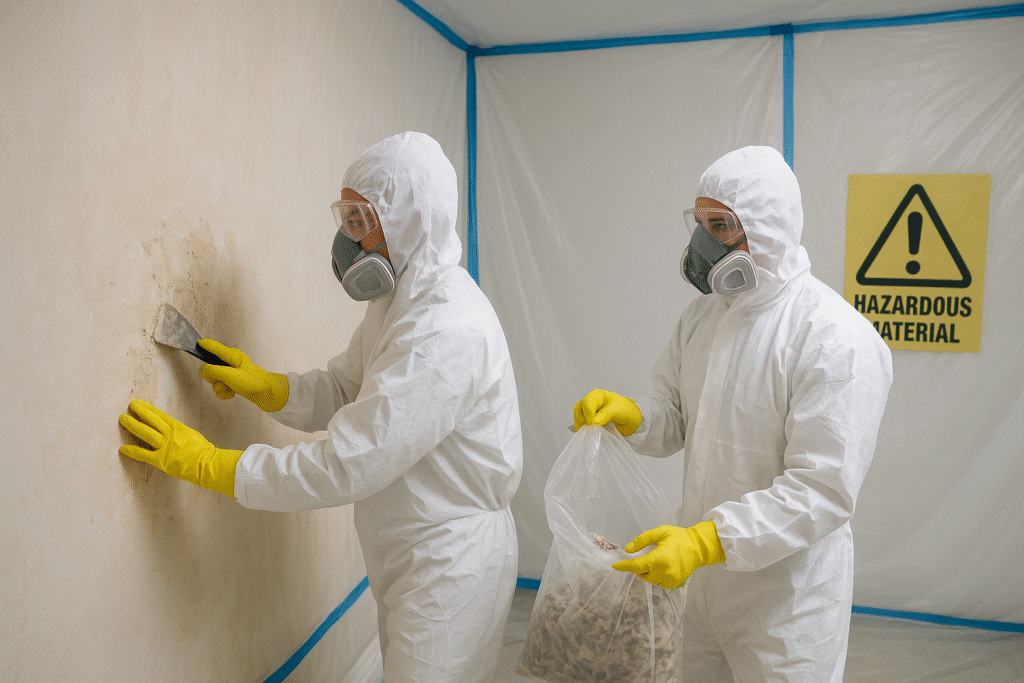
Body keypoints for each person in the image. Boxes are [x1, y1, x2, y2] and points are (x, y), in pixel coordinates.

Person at [119, 132, 523, 683]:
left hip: (451, 566)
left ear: (408, 222)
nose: (345, 239)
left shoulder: (444, 331)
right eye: (345, 217)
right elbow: (344, 388)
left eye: (361, 220)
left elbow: (348, 464)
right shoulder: (399, 300)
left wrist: (212, 466)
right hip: (412, 549)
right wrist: (269, 387)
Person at [574, 146, 892, 682]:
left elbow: (823, 489)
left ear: (769, 230)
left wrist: (706, 541)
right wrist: (634, 417)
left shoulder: (834, 338)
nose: (702, 242)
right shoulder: (703, 317)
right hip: (700, 588)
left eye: (719, 224)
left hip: (786, 606)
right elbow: (674, 415)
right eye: (698, 223)